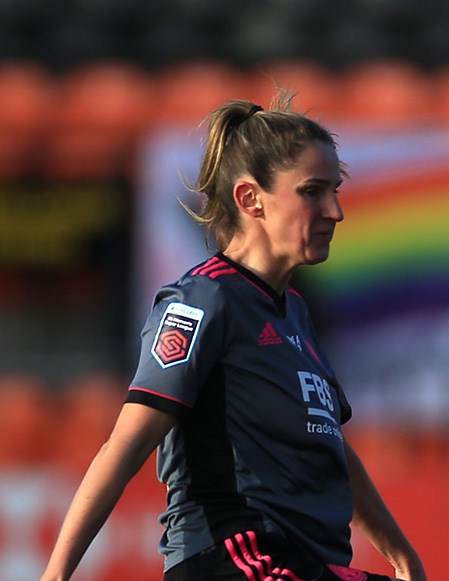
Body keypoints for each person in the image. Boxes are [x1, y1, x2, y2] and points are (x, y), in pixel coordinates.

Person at [41, 93, 426, 581]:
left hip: (301, 564)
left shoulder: (295, 313)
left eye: (336, 190)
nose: (335, 211)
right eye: (312, 191)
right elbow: (127, 444)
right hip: (235, 558)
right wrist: (56, 574)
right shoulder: (204, 300)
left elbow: (329, 446)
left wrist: (402, 557)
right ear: (250, 199)